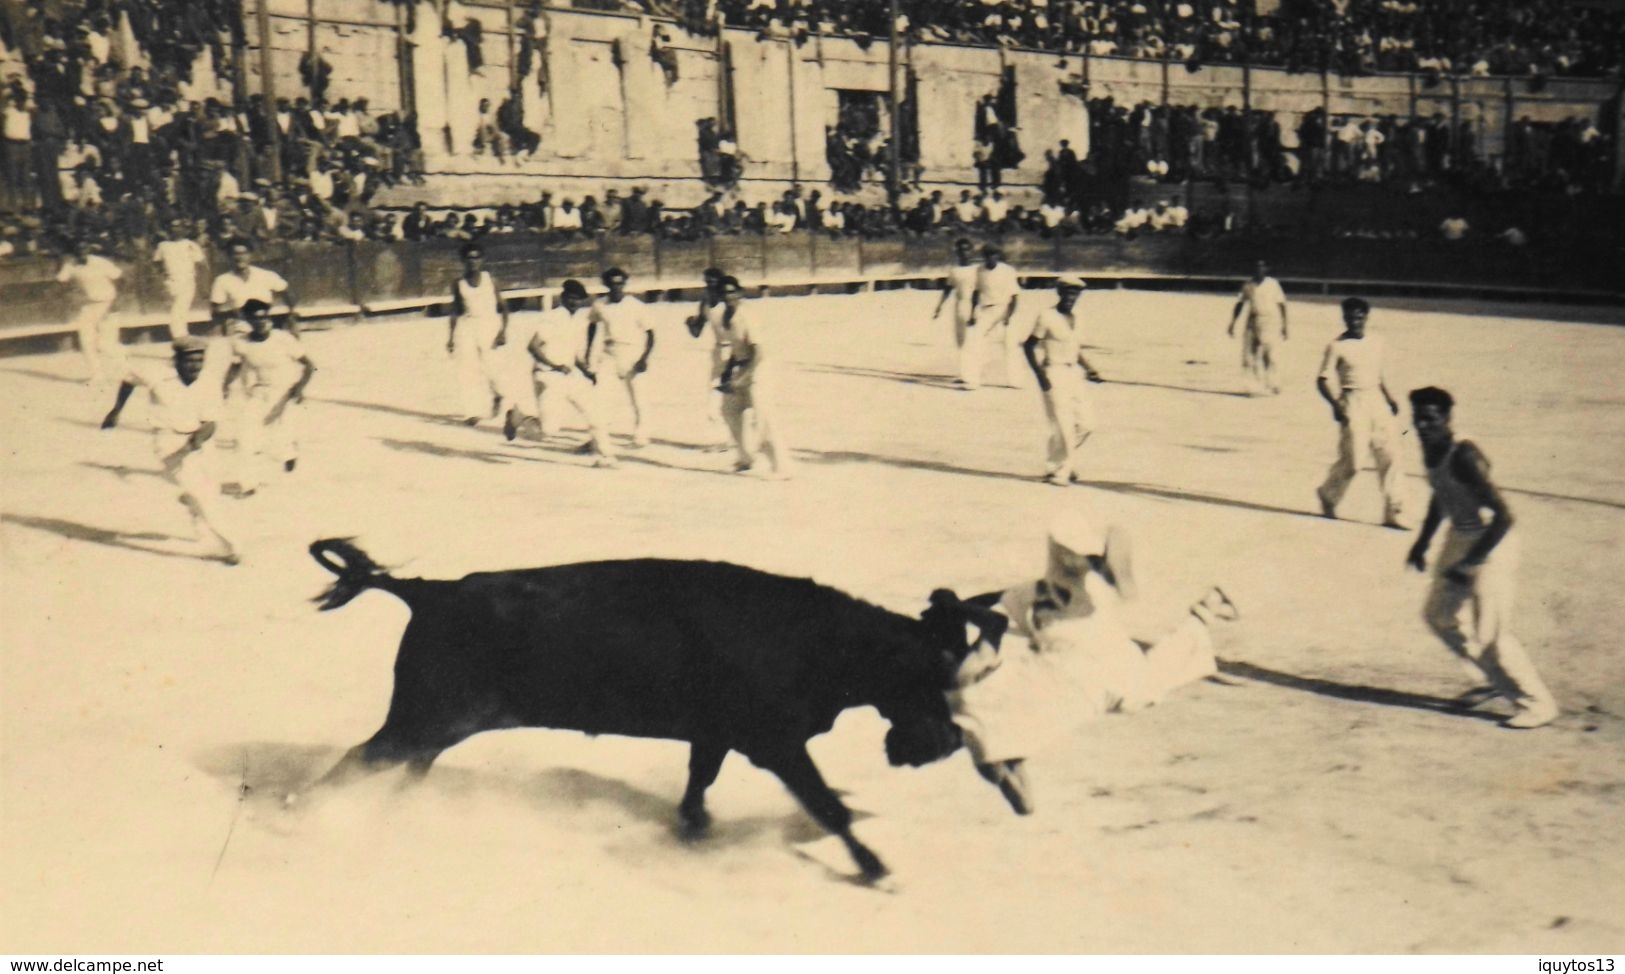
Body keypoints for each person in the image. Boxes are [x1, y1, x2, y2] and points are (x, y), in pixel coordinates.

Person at [951, 510, 1239, 814]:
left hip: (1083, 660)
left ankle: (1007, 757)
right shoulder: (1080, 590)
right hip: (1095, 658)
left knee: (1131, 693)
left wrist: (958, 606)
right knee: (1138, 691)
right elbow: (1102, 580)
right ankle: (1204, 611)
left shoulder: (1035, 592)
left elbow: (997, 597)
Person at [1405, 387, 1558, 730]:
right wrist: (1422, 542)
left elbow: (1504, 516)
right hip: (1459, 535)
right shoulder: (1430, 448)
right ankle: (1490, 677)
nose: (1422, 426)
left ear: (1447, 418)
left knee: (1491, 633)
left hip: (1493, 541)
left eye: (1430, 419)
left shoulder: (1465, 455)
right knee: (1438, 615)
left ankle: (1538, 703)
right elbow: (1440, 494)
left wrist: (1472, 562)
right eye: (1417, 418)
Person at [99, 338, 240, 564]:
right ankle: (232, 547)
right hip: (168, 441)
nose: (195, 366)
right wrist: (116, 410)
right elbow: (128, 379)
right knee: (204, 497)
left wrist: (189, 449)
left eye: (199, 360)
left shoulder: (209, 382)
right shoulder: (156, 374)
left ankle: (205, 537)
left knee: (208, 493)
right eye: (189, 360)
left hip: (201, 442)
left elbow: (210, 425)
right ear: (176, 360)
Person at [1315, 297, 1408, 528]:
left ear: (1366, 317)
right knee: (1354, 460)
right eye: (1349, 317)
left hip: (1377, 402)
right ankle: (1328, 493)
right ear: (1344, 318)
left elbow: (1376, 375)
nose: (1354, 321)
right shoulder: (1337, 346)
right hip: (1352, 401)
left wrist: (1389, 398)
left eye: (1359, 316)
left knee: (1390, 455)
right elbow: (1322, 380)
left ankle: (1394, 511)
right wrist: (1337, 407)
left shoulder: (1377, 342)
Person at [226, 300, 316, 494]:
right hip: (259, 394)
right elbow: (235, 366)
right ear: (248, 320)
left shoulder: (283, 339)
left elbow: (310, 365)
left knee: (278, 443)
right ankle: (248, 483)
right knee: (244, 436)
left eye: (264, 317)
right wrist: (224, 386)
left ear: (269, 317)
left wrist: (299, 389)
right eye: (255, 318)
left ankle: (289, 453)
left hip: (285, 395)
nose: (260, 322)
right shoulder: (241, 343)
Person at [1022, 276, 1105, 485]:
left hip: (1074, 374)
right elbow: (1028, 346)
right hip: (1053, 373)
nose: (1071, 297)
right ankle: (1062, 472)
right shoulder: (1046, 316)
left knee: (1088, 424)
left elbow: (1075, 349)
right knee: (1064, 425)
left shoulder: (1078, 316)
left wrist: (1089, 369)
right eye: (1067, 292)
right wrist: (1040, 375)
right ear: (1059, 293)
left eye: (1075, 293)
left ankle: (1057, 462)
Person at [525, 279, 617, 467]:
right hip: (548, 375)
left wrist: (585, 371)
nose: (575, 302)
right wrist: (555, 365)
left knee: (595, 412)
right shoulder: (553, 318)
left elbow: (571, 352)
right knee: (548, 430)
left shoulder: (577, 319)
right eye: (572, 298)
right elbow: (533, 346)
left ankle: (606, 456)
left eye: (579, 299)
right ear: (563, 297)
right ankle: (519, 417)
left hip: (570, 375)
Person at [717, 276, 792, 480]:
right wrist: (727, 372)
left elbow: (758, 352)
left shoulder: (747, 316)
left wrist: (742, 378)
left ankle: (782, 467)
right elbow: (736, 349)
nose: (728, 296)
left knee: (763, 420)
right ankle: (746, 457)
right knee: (728, 410)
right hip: (741, 367)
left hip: (758, 371)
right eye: (724, 292)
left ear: (740, 293)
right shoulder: (726, 315)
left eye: (732, 292)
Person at [588, 267, 655, 447]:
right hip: (609, 353)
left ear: (624, 284)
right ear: (606, 284)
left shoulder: (636, 306)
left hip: (632, 353)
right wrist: (589, 353)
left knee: (639, 397)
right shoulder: (599, 304)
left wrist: (643, 358)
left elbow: (650, 334)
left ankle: (641, 435)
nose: (616, 287)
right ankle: (599, 438)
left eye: (620, 283)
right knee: (601, 397)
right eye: (612, 283)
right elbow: (592, 325)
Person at [446, 242, 508, 427]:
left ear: (482, 260)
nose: (473, 261)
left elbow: (503, 307)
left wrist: (503, 331)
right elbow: (456, 310)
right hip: (467, 326)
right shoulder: (459, 284)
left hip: (489, 325)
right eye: (469, 258)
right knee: (467, 369)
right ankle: (472, 412)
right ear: (463, 261)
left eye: (476, 257)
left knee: (492, 367)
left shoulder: (490, 279)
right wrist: (450, 337)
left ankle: (498, 394)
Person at [56, 239, 124, 383]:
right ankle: (97, 375)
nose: (82, 252)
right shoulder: (71, 264)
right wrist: (64, 262)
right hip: (88, 306)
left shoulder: (100, 262)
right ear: (73, 252)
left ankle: (126, 369)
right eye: (78, 250)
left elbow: (119, 277)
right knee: (86, 341)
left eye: (84, 249)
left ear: (89, 249)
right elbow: (61, 280)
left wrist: (114, 303)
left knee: (105, 344)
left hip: (107, 304)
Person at [209, 239, 300, 336]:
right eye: (235, 254)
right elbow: (216, 311)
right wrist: (233, 316)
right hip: (240, 330)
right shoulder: (222, 280)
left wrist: (292, 316)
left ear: (250, 255)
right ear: (228, 256)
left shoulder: (265, 275)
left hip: (266, 327)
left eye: (243, 253)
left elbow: (287, 291)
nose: (239, 257)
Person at [684, 267, 732, 447]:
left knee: (731, 395)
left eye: (713, 283)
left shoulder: (728, 303)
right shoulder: (705, 302)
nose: (710, 286)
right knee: (715, 395)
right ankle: (723, 438)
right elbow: (697, 332)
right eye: (707, 283)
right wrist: (690, 324)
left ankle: (735, 438)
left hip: (735, 350)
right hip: (718, 351)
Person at [1226, 259, 1289, 396]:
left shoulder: (1273, 284)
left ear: (1266, 269)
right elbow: (1240, 303)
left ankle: (1272, 382)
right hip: (1253, 319)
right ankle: (1252, 386)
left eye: (1261, 267)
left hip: (1270, 321)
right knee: (1249, 354)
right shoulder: (1248, 285)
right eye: (1256, 267)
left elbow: (1282, 304)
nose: (1258, 270)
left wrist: (1285, 325)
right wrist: (1233, 323)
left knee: (1270, 354)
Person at [969, 244, 1023, 389]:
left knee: (1010, 346)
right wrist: (972, 313)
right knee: (976, 344)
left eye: (993, 254)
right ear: (984, 257)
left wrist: (1009, 316)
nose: (990, 258)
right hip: (985, 310)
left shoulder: (1008, 271)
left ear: (998, 256)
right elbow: (976, 292)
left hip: (1004, 308)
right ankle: (974, 380)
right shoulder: (979, 270)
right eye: (987, 255)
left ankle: (1015, 380)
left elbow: (1015, 296)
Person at [931, 238, 982, 388]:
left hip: (974, 305)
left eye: (966, 249)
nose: (964, 253)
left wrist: (974, 311)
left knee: (971, 341)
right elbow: (948, 289)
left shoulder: (978, 269)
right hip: (959, 305)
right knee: (960, 340)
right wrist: (939, 306)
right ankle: (964, 373)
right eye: (961, 250)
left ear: (971, 251)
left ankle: (972, 377)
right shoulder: (954, 270)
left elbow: (979, 291)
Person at [153, 220, 207, 342]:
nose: (175, 229)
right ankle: (180, 335)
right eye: (172, 226)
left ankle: (180, 335)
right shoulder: (163, 245)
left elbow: (201, 263)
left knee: (181, 307)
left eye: (178, 226)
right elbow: (156, 262)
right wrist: (162, 275)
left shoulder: (190, 245)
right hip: (170, 282)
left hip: (187, 281)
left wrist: (201, 282)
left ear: (184, 229)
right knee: (176, 308)